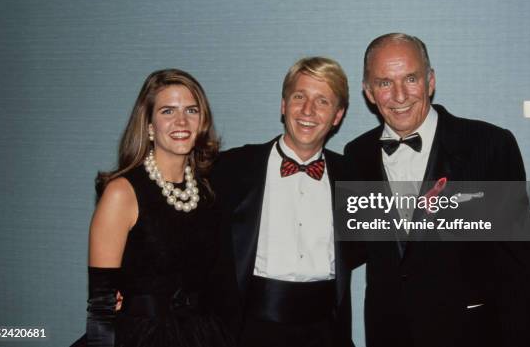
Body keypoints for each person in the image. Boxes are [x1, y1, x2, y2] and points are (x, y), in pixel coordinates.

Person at [344, 33, 530, 347]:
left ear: (430, 81)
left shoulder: (489, 146)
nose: (399, 95)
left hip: (472, 335)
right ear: (368, 92)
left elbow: (518, 268)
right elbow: (350, 250)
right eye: (384, 83)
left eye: (410, 78)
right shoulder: (356, 155)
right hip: (389, 335)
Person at [75, 69, 233, 347]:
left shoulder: (209, 191)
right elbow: (101, 306)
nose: (182, 121)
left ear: (202, 121)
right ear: (149, 125)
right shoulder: (122, 193)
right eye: (168, 111)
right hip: (140, 337)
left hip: (203, 334)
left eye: (191, 110)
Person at [211, 57, 355, 347]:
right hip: (248, 332)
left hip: (325, 333)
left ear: (337, 116)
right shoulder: (231, 168)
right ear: (283, 104)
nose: (308, 110)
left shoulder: (352, 176)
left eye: (322, 101)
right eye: (299, 96)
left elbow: (404, 240)